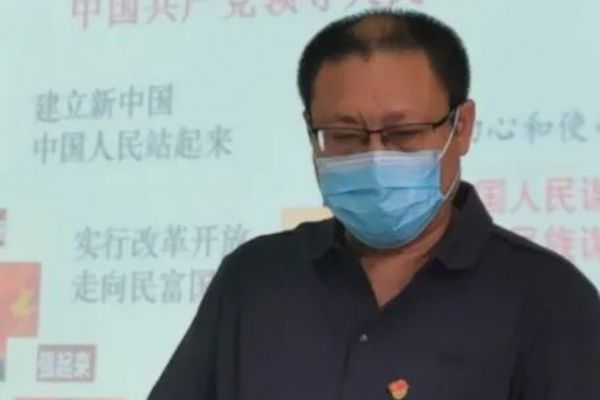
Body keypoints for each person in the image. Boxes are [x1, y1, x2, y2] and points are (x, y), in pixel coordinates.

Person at [147, 9, 600, 400]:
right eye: (344, 136)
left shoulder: (550, 299)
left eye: (404, 134)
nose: (376, 158)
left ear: (461, 127)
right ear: (310, 130)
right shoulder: (254, 280)